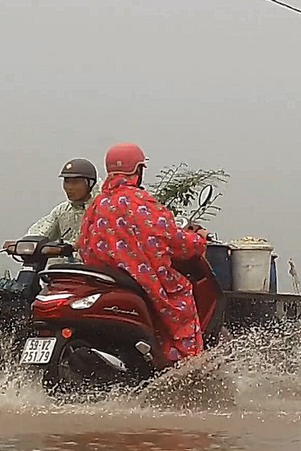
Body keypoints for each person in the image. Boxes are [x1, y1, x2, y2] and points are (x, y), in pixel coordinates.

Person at [76, 143, 210, 363]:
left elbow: (82, 243)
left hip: (106, 278)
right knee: (181, 298)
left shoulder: (98, 202)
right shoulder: (140, 201)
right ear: (137, 170)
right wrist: (198, 240)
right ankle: (187, 363)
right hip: (139, 277)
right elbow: (170, 238)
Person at [26, 158, 100, 264]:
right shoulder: (62, 210)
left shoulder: (102, 209)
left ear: (90, 184)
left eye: (75, 182)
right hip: (63, 269)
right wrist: (25, 243)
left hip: (92, 270)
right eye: (67, 182)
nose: (69, 188)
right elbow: (42, 230)